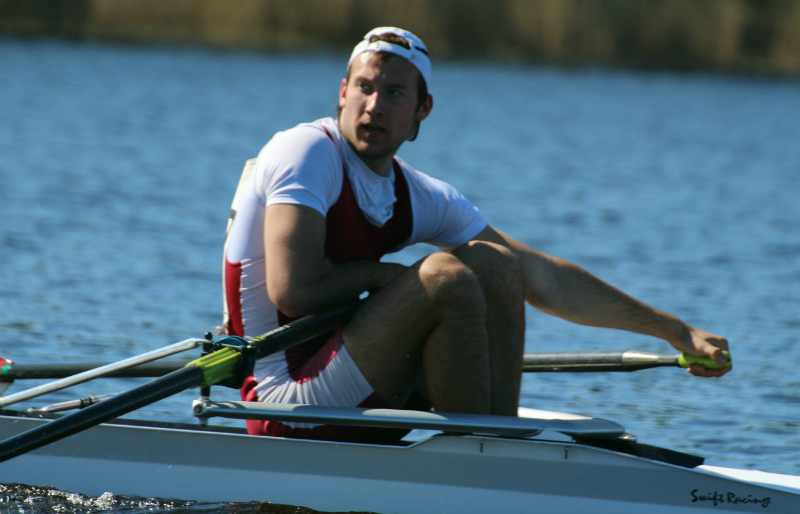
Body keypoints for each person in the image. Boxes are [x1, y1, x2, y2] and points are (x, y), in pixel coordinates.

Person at [223, 26, 730, 441]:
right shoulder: (306, 152)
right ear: (342, 92)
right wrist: (382, 276)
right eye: (364, 87)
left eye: (394, 93)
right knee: (445, 278)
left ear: (422, 110)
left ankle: (495, 441)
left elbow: (545, 279)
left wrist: (674, 330)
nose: (373, 105)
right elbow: (294, 291)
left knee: (496, 263)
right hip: (283, 401)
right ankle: (481, 455)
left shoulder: (416, 194)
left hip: (342, 381)